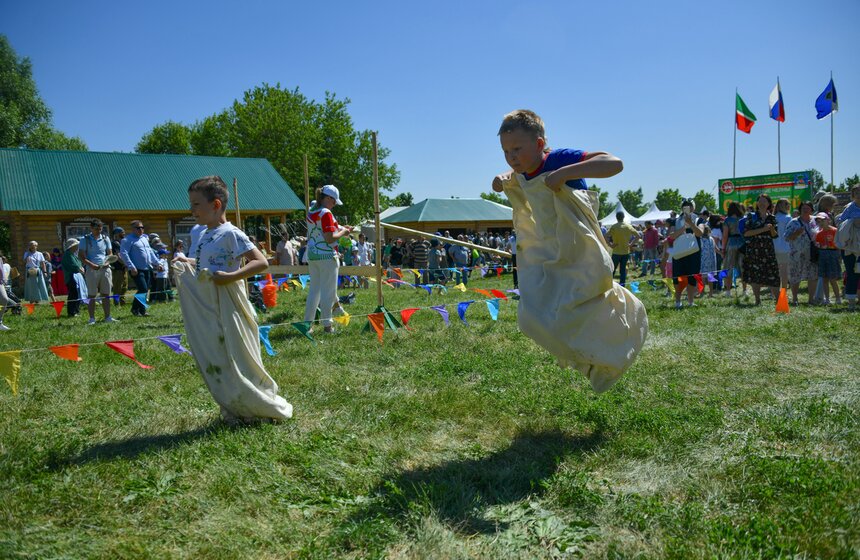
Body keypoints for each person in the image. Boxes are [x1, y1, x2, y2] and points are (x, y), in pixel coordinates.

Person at [491, 109, 647, 393]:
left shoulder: (558, 159)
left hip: (581, 248)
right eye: (505, 151)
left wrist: (565, 173)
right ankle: (586, 359)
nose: (511, 157)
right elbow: (515, 185)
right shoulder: (521, 173)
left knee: (587, 302)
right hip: (552, 254)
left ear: (539, 144)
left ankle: (625, 325)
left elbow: (614, 163)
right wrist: (504, 179)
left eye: (517, 149)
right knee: (531, 317)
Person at [172, 175, 292, 424]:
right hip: (210, 303)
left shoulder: (231, 233)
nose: (191, 210)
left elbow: (260, 261)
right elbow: (210, 264)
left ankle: (258, 405)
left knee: (238, 353)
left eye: (196, 204)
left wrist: (233, 276)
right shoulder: (204, 235)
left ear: (215, 205)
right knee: (218, 353)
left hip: (230, 301)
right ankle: (235, 405)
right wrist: (188, 262)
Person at [303, 185, 353, 334]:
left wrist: (339, 227)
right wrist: (344, 232)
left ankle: (307, 325)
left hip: (312, 255)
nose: (334, 205)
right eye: (334, 202)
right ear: (328, 198)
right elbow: (330, 238)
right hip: (327, 256)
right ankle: (327, 326)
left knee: (314, 292)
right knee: (328, 292)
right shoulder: (326, 213)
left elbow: (322, 230)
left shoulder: (312, 210)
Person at [741, 194, 781, 305]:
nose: (762, 203)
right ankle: (758, 300)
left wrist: (772, 229)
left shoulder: (772, 218)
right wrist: (763, 229)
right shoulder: (751, 216)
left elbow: (774, 235)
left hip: (768, 250)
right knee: (755, 275)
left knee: (773, 274)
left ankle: (778, 301)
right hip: (754, 250)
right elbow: (747, 233)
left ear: (769, 204)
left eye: (765, 201)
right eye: (760, 201)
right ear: (757, 203)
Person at [120, 220, 162, 317]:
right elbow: (124, 254)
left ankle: (142, 310)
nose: (141, 230)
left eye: (142, 228)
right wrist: (131, 267)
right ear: (133, 229)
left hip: (147, 268)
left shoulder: (144, 238)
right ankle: (135, 309)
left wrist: (157, 263)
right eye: (138, 228)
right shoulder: (127, 240)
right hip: (136, 269)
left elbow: (150, 253)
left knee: (145, 289)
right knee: (142, 288)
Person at [80, 219, 117, 324]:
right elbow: (81, 256)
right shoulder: (85, 239)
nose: (99, 231)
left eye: (100, 229)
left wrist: (107, 262)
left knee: (106, 294)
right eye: (96, 229)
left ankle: (108, 317)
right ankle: (92, 318)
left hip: (105, 268)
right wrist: (92, 265)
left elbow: (110, 253)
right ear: (91, 228)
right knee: (92, 295)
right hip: (92, 270)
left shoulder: (106, 239)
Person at [784, 201, 819, 305]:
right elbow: (786, 237)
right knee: (795, 276)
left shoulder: (816, 220)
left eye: (808, 207)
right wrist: (796, 233)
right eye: (803, 208)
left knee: (813, 275)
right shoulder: (793, 222)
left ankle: (811, 299)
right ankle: (794, 299)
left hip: (812, 254)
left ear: (812, 209)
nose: (805, 209)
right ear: (800, 210)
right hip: (796, 254)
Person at [670, 199, 703, 309]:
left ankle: (690, 301)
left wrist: (691, 224)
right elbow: (672, 236)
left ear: (693, 208)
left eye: (689, 207)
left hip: (694, 252)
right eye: (685, 207)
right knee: (678, 276)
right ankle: (678, 301)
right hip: (679, 252)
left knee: (692, 275)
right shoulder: (677, 220)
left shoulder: (698, 219)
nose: (687, 209)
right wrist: (684, 227)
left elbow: (700, 233)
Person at [836, 185, 860, 310]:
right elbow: (840, 222)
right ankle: (851, 302)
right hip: (851, 247)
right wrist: (853, 222)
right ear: (853, 194)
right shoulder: (849, 208)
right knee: (852, 273)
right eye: (856, 192)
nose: (859, 194)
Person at [814, 212, 841, 305]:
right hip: (823, 256)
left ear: (828, 220)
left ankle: (838, 298)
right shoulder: (819, 234)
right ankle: (827, 299)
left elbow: (839, 243)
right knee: (825, 278)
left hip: (833, 254)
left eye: (822, 220)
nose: (820, 222)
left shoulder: (835, 231)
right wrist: (820, 246)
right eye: (818, 221)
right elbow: (818, 245)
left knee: (832, 278)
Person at [607, 212, 639, 287]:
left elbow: (605, 236)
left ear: (616, 217)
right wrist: (631, 244)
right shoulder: (628, 226)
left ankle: (609, 285)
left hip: (616, 252)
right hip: (625, 252)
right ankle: (622, 286)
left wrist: (610, 245)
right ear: (623, 217)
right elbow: (638, 236)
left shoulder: (614, 226)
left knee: (613, 269)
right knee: (623, 270)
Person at [721, 202, 745, 296]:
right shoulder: (743, 219)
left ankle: (727, 291)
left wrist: (723, 249)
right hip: (742, 243)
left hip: (731, 243)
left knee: (728, 267)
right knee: (743, 267)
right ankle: (744, 291)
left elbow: (725, 236)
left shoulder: (727, 220)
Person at [60, 238, 84, 317]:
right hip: (71, 277)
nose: (77, 247)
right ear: (72, 246)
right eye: (76, 245)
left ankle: (76, 310)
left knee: (77, 294)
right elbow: (73, 265)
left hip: (76, 277)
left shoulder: (73, 254)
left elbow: (79, 263)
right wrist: (79, 268)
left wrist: (81, 267)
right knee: (73, 295)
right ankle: (71, 312)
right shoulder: (67, 255)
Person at [773, 198, 792, 290]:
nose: (788, 206)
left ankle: (775, 290)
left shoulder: (773, 217)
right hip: (785, 246)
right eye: (786, 204)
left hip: (774, 246)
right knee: (784, 269)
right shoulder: (788, 218)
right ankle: (783, 290)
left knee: (776, 270)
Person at [110, 227, 128, 305]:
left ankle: (123, 303)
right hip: (117, 269)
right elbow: (118, 256)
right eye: (122, 232)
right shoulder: (115, 243)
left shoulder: (121, 243)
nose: (124, 233)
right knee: (118, 287)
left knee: (124, 287)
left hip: (123, 268)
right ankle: (116, 304)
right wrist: (126, 264)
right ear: (117, 234)